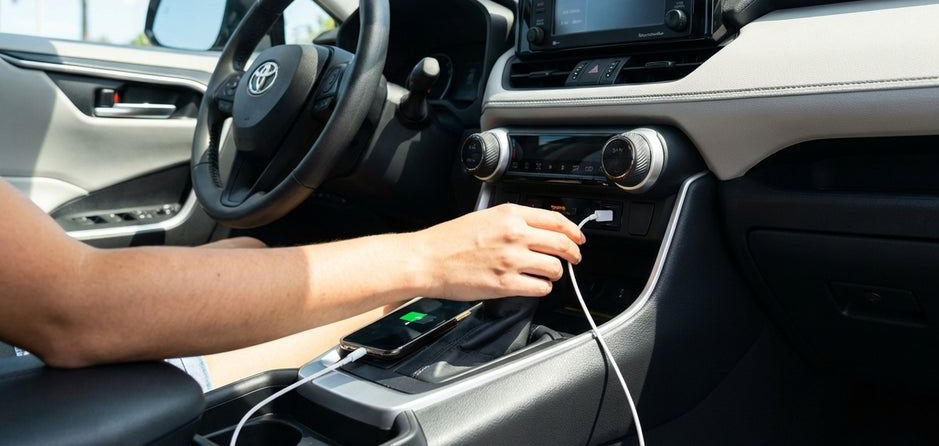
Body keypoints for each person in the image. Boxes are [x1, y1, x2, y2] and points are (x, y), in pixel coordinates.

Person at [0, 178, 584, 388]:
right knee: (390, 301)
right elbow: (75, 311)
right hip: (46, 396)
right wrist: (428, 256)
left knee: (248, 247)